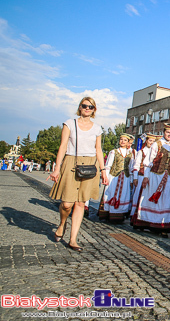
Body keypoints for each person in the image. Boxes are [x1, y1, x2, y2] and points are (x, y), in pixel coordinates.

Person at [48, 96, 108, 252]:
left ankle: (73, 239)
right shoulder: (70, 124)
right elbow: (62, 146)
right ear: (80, 107)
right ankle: (62, 223)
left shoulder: (97, 128)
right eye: (85, 106)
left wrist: (103, 171)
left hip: (90, 165)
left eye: (91, 107)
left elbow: (99, 150)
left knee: (81, 203)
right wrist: (56, 168)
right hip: (71, 162)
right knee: (67, 204)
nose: (87, 108)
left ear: (94, 110)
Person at [134, 123, 170, 236]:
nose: (169, 134)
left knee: (167, 199)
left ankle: (164, 224)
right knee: (155, 199)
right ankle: (152, 223)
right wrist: (146, 177)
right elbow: (148, 162)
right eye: (167, 132)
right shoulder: (157, 144)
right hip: (156, 175)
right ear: (164, 133)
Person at [98, 133, 135, 223]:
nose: (122, 141)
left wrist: (131, 179)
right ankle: (108, 213)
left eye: (125, 140)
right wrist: (105, 176)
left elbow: (130, 168)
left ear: (128, 142)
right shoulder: (114, 152)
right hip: (114, 177)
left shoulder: (130, 154)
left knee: (123, 195)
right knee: (111, 193)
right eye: (121, 139)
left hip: (125, 178)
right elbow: (108, 165)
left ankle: (119, 215)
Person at [130, 133, 157, 224]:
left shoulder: (155, 152)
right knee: (138, 195)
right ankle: (135, 215)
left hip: (150, 178)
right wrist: (135, 178)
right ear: (146, 141)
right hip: (141, 177)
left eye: (153, 141)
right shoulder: (141, 152)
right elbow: (136, 165)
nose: (151, 143)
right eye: (150, 141)